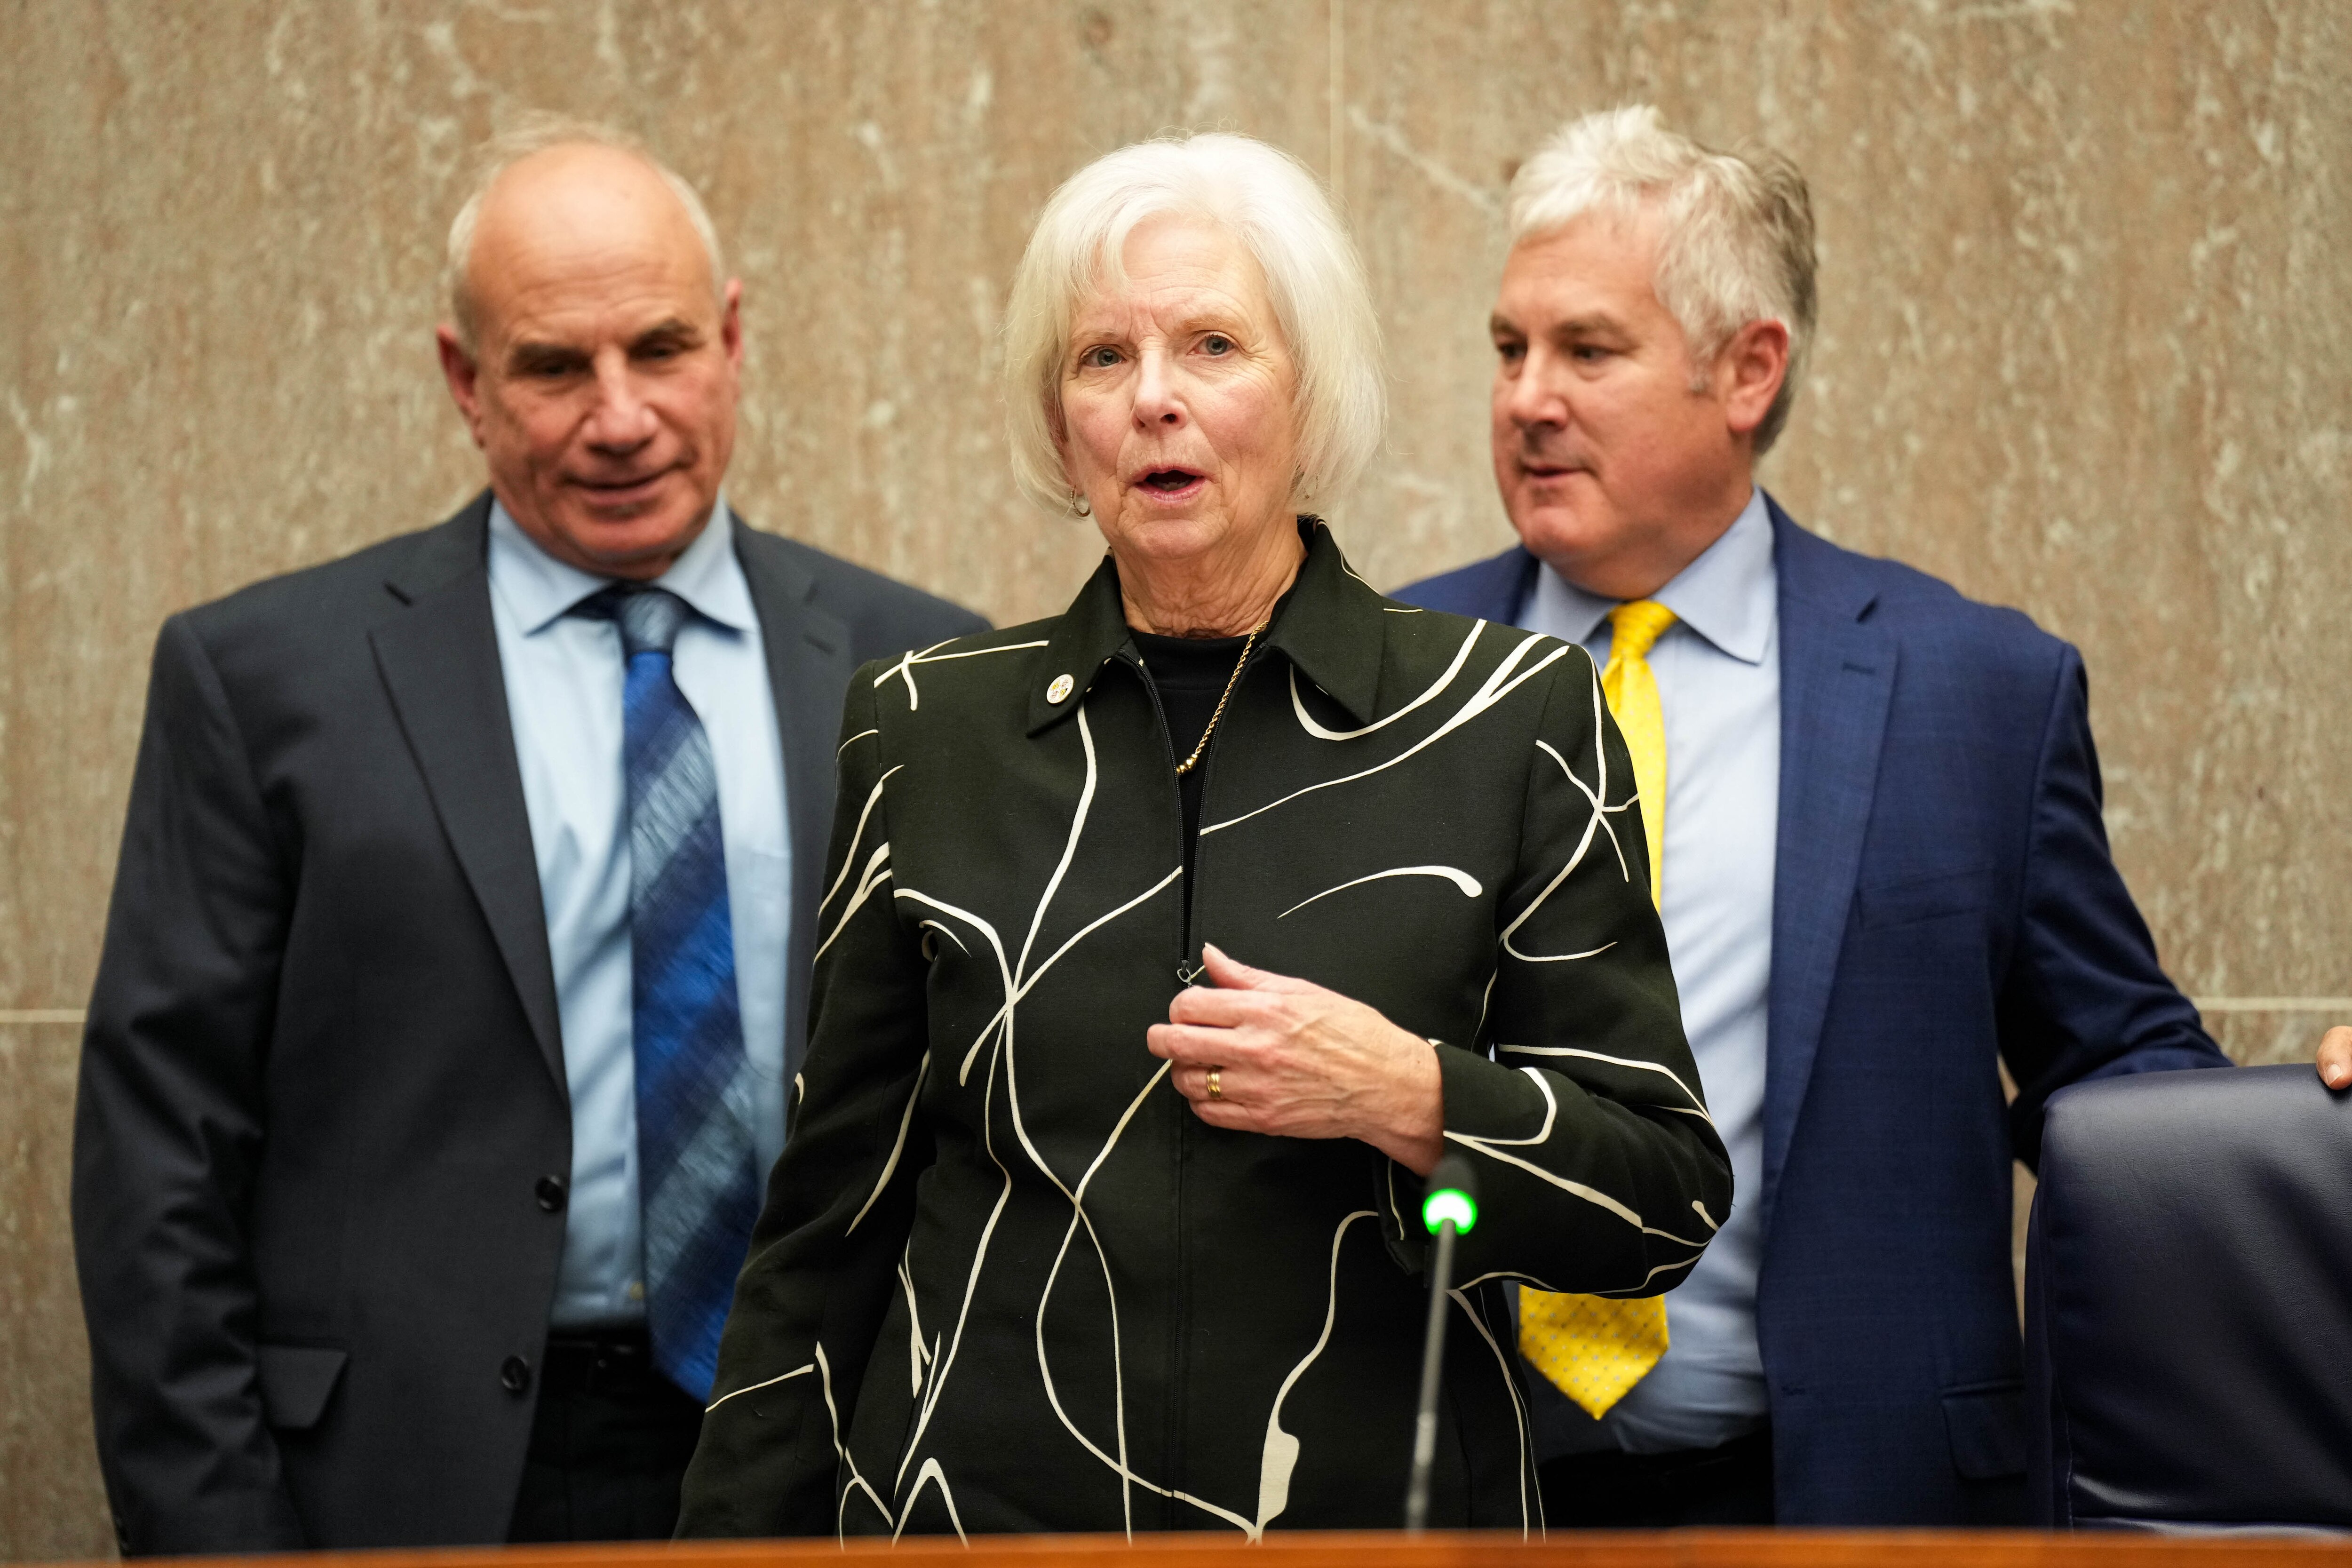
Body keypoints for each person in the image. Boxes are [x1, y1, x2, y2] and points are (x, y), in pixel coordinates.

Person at [673, 132, 1731, 1541]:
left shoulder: (1509, 719)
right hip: (969, 1522)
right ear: (1061, 421)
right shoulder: (924, 729)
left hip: (1374, 1525)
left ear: (1313, 390)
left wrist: (1411, 1095)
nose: (1154, 400)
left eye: (1214, 345)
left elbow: (1659, 1202)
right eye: (1101, 359)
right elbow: (826, 1236)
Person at [71, 117, 985, 1554]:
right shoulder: (265, 683)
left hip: (825, 1455)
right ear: (465, 380)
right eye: (555, 367)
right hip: (406, 1480)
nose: (618, 417)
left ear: (733, 340)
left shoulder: (923, 672)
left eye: (662, 349)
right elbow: (160, 1161)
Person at [1394, 107, 2231, 1527]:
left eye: (1588, 351)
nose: (1527, 398)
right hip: (1457, 1488)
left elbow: (2119, 1066)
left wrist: (2310, 1121)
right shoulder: (1384, 677)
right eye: (1508, 348)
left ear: (1748, 370)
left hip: (1846, 1497)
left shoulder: (1973, 691)